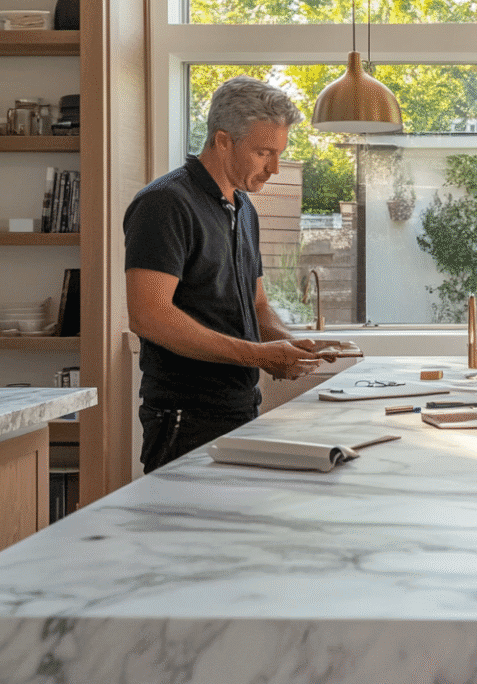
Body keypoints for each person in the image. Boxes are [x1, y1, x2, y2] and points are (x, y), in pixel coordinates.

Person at [124, 76, 336, 472]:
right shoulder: (165, 204)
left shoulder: (243, 209)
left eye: (278, 153)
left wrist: (292, 347)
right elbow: (148, 316)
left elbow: (257, 306)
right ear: (222, 141)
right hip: (184, 417)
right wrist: (258, 354)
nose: (274, 168)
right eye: (262, 153)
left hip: (240, 408)